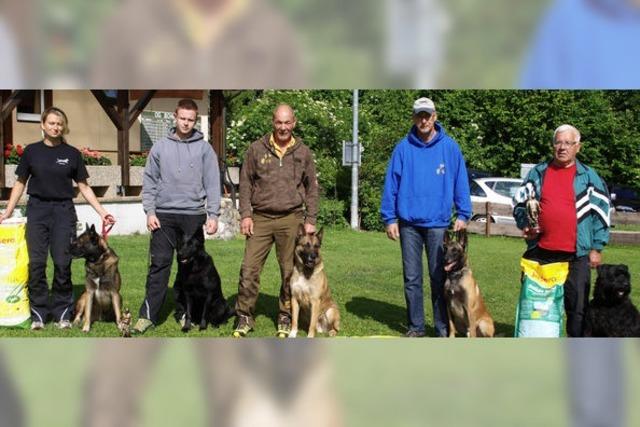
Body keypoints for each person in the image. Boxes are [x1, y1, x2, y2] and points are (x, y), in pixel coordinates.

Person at [0, 106, 115, 330]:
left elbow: (84, 186)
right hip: (37, 211)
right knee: (37, 264)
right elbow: (20, 183)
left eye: (59, 124)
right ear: (43, 125)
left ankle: (63, 311)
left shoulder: (72, 154)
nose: (55, 127)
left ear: (64, 127)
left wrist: (103, 212)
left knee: (63, 263)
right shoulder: (32, 152)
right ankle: (39, 314)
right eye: (51, 123)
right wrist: (7, 211)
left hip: (63, 212)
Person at [380, 97, 472, 338]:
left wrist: (463, 213)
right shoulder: (403, 148)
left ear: (435, 117)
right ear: (414, 118)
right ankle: (416, 327)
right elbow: (391, 184)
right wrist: (389, 218)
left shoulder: (449, 147)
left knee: (438, 278)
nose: (423, 120)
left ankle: (443, 328)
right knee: (412, 279)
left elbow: (461, 181)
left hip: (438, 224)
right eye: (419, 115)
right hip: (409, 224)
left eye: (427, 115)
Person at [513, 124, 610, 337]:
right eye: (558, 142)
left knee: (577, 310)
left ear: (578, 147)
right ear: (552, 145)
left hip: (577, 256)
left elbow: (602, 213)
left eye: (568, 143)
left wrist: (597, 247)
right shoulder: (538, 173)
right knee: (538, 309)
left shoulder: (589, 177)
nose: (562, 147)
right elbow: (520, 203)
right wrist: (526, 224)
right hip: (541, 253)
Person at [133, 98, 220, 334]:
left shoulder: (204, 148)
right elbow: (149, 181)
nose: (186, 123)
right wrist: (150, 211)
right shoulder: (160, 146)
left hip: (193, 216)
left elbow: (213, 183)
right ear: (175, 116)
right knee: (159, 265)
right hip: (163, 216)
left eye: (191, 120)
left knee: (189, 271)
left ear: (195, 120)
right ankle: (148, 315)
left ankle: (185, 314)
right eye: (182, 118)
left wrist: (213, 214)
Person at [232, 104, 318, 337]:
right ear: (273, 122)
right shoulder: (256, 149)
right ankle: (244, 315)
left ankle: (285, 314)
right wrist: (246, 214)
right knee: (249, 268)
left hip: (292, 218)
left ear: (294, 122)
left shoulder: (303, 152)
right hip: (260, 217)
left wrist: (310, 219)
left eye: (287, 122)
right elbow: (246, 183)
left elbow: (311, 188)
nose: (283, 127)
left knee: (289, 271)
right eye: (279, 122)